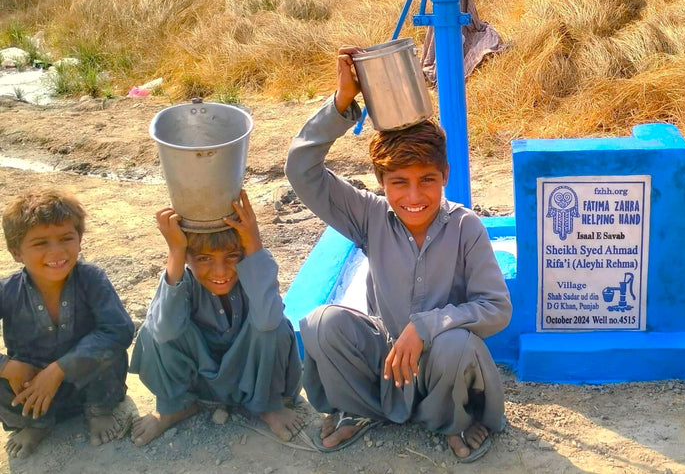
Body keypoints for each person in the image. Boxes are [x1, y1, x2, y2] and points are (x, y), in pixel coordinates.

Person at [285, 46, 512, 462]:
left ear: (445, 175)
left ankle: (452, 421)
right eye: (398, 182)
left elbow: (496, 308)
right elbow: (301, 170)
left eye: (427, 179)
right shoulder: (370, 216)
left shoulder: (465, 228)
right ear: (381, 182)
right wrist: (340, 102)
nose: (413, 197)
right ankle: (360, 410)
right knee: (322, 323)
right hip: (387, 358)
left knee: (456, 346)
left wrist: (427, 326)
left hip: (442, 363)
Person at [129, 190, 304, 445]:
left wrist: (253, 241)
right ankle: (175, 406)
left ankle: (268, 405)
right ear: (188, 258)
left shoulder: (252, 275)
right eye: (203, 258)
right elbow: (164, 331)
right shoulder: (183, 279)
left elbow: (268, 320)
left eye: (232, 256)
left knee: (275, 325)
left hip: (253, 377)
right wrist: (176, 251)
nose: (220, 271)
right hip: (201, 382)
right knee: (154, 327)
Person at [0, 190, 134, 458]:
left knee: (108, 348)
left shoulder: (91, 278)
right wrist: (7, 366)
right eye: (40, 243)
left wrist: (60, 369)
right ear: (16, 252)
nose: (57, 251)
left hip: (92, 382)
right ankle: (36, 422)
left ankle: (99, 410)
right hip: (32, 386)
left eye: (66, 239)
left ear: (80, 240)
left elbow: (120, 330)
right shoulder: (8, 291)